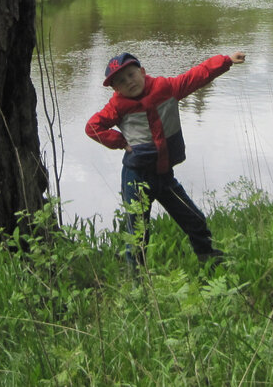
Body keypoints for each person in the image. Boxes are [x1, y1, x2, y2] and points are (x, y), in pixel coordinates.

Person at [85, 49, 247, 267]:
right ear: (115, 89)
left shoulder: (166, 89)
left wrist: (225, 61)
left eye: (131, 75)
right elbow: (93, 126)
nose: (129, 82)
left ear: (142, 72)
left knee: (194, 218)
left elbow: (196, 76)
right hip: (136, 178)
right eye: (121, 81)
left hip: (164, 175)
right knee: (138, 234)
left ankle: (207, 257)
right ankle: (137, 279)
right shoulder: (117, 106)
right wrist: (120, 142)